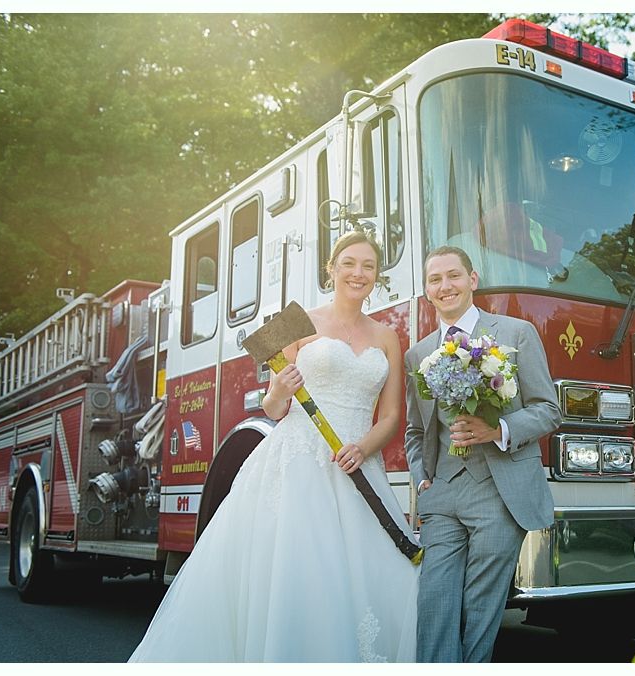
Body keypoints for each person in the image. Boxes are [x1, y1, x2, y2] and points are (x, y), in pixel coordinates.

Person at [129, 231, 418, 662]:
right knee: (299, 571)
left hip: (359, 466)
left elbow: (392, 416)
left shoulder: (387, 336)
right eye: (350, 263)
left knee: (387, 575)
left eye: (369, 266)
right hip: (298, 462)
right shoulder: (296, 321)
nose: (359, 273)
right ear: (332, 269)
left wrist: (361, 448)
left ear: (376, 275)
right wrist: (280, 387)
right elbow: (273, 406)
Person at [404, 245, 560, 662]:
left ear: (472, 280)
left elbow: (548, 410)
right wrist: (422, 476)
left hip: (499, 490)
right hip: (442, 495)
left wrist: (498, 429)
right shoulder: (417, 354)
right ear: (426, 291)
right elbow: (415, 430)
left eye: (453, 275)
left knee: (481, 611)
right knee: (433, 602)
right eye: (435, 279)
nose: (445, 286)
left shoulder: (515, 333)